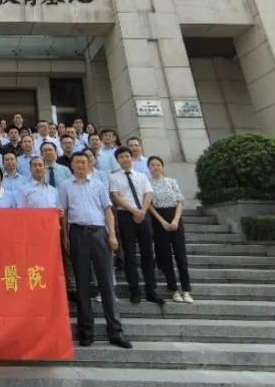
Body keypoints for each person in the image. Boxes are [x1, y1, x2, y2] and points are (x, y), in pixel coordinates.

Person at [58, 152, 131, 349]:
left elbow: (108, 210)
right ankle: (86, 331)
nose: (80, 165)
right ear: (71, 166)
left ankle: (115, 331)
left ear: (89, 164)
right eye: (77, 162)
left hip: (99, 234)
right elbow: (63, 215)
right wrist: (65, 236)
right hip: (77, 234)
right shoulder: (65, 186)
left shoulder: (98, 184)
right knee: (82, 285)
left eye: (83, 162)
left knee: (106, 284)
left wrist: (112, 235)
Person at [109, 146, 164, 305]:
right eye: (121, 157)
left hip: (143, 215)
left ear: (131, 158)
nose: (125, 159)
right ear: (118, 160)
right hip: (126, 215)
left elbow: (148, 194)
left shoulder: (141, 176)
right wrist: (134, 211)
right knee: (130, 255)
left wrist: (142, 211)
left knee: (148, 253)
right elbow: (116, 197)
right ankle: (134, 290)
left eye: (127, 156)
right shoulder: (114, 177)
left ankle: (151, 290)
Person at [17, 155, 76, 300]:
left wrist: (59, 214)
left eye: (40, 165)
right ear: (30, 169)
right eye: (35, 165)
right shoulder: (24, 190)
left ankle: (54, 293)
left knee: (52, 266)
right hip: (33, 236)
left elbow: (59, 211)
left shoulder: (53, 191)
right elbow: (21, 215)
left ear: (45, 168)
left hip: (52, 236)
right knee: (34, 265)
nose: (38, 168)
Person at [147, 155, 193, 304]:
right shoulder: (147, 184)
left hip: (175, 218)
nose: (156, 167)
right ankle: (173, 290)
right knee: (166, 256)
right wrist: (162, 222)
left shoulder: (171, 181)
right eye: (152, 165)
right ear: (149, 168)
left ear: (162, 167)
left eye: (158, 165)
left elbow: (179, 201)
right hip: (159, 220)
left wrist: (175, 220)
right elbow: (150, 206)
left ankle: (186, 290)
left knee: (181, 255)